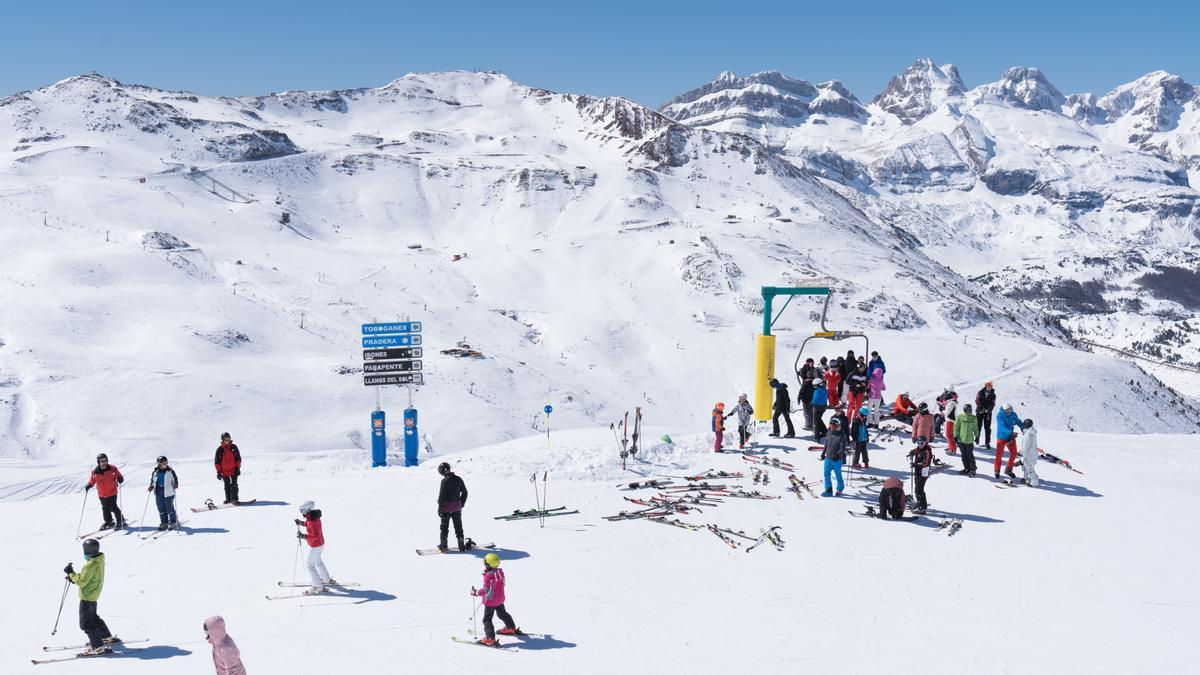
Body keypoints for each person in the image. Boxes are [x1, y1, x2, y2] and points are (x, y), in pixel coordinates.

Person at [64, 538, 113, 655]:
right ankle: (106, 636)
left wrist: (71, 573)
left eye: (84, 549)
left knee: (85, 623)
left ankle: (98, 647)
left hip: (87, 596)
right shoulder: (99, 559)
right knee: (93, 618)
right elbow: (88, 577)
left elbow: (82, 581)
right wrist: (74, 577)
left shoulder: (89, 565)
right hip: (94, 593)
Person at [474, 552, 520, 646]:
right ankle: (510, 628)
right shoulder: (499, 572)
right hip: (499, 599)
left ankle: (490, 639)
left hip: (490, 601)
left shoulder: (489, 576)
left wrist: (476, 593)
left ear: (487, 564)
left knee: (487, 619)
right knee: (502, 614)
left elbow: (486, 590)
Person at [295, 500, 333, 594]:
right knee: (317, 561)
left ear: (308, 510)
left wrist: (304, 536)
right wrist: (302, 523)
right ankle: (326, 579)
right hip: (320, 544)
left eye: (303, 511)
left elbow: (314, 535)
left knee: (310, 565)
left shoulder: (311, 520)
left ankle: (317, 586)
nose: (302, 513)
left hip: (316, 545)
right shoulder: (313, 516)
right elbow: (310, 524)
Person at [85, 453, 125, 530]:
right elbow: (92, 480)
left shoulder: (113, 468)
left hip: (112, 492)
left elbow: (120, 476)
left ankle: (121, 521)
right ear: (98, 462)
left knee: (113, 507)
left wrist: (120, 479)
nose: (104, 463)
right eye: (101, 461)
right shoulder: (95, 471)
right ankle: (109, 521)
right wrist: (89, 485)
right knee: (105, 508)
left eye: (105, 460)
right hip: (102, 494)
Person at [437, 462, 469, 552]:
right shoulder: (459, 479)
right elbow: (465, 493)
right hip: (457, 508)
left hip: (446, 508)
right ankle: (461, 545)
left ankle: (443, 546)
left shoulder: (444, 481)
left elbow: (441, 496)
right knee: (458, 526)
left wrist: (439, 508)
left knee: (444, 527)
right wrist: (461, 503)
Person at [147, 455, 180, 530]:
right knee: (161, 508)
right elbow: (153, 481)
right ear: (159, 464)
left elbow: (175, 479)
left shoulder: (170, 471)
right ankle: (164, 522)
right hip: (158, 491)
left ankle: (174, 521)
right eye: (163, 463)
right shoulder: (155, 472)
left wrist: (176, 484)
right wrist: (151, 486)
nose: (165, 464)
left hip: (169, 492)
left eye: (166, 463)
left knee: (169, 508)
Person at [994, 404, 1025, 479]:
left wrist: (1023, 428)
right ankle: (997, 470)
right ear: (1004, 411)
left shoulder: (1013, 414)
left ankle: (1008, 470)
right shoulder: (1000, 416)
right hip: (1001, 437)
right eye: (1008, 411)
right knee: (999, 455)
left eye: (1011, 410)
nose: (1009, 412)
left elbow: (1018, 421)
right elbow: (1002, 427)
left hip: (1010, 437)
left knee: (1014, 454)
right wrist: (1010, 432)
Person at [820, 417, 849, 496]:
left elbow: (842, 447)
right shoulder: (829, 432)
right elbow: (826, 443)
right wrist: (823, 453)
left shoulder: (842, 435)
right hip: (828, 457)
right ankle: (828, 490)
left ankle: (840, 489)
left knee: (838, 475)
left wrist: (838, 454)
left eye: (833, 426)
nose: (831, 427)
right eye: (830, 426)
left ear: (838, 426)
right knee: (826, 474)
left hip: (837, 459)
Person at [214, 432, 242, 505]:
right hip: (224, 471)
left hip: (234, 470)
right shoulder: (219, 450)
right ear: (223, 440)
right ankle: (228, 499)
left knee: (234, 484)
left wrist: (237, 468)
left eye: (229, 439)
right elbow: (217, 462)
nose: (228, 440)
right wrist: (218, 472)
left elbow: (238, 459)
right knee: (227, 485)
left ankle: (235, 499)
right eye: (226, 439)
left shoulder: (234, 447)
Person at [907, 436, 933, 514]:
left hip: (923, 473)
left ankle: (922, 507)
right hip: (918, 472)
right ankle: (921, 503)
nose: (920, 445)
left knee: (919, 490)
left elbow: (925, 463)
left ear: (925, 443)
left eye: (922, 443)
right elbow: (915, 451)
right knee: (918, 489)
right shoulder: (918, 449)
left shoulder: (927, 451)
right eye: (918, 443)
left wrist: (915, 465)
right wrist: (911, 452)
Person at [954, 403, 979, 477]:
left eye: (970, 410)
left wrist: (977, 436)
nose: (968, 411)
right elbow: (956, 427)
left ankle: (973, 470)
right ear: (964, 410)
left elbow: (975, 428)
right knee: (963, 456)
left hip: (969, 441)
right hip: (961, 440)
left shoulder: (974, 418)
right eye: (967, 410)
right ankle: (966, 468)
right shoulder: (960, 417)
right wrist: (955, 436)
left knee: (970, 456)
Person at [975, 381, 997, 449]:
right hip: (980, 411)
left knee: (987, 428)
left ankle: (987, 442)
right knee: (978, 426)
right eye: (988, 386)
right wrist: (983, 409)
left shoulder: (993, 394)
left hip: (988, 413)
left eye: (990, 386)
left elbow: (993, 404)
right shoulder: (980, 392)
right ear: (985, 386)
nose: (989, 387)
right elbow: (977, 401)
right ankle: (977, 439)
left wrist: (988, 410)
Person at [1019, 418, 1040, 487]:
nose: (1023, 426)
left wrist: (1020, 452)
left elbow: (1025, 445)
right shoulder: (1030, 432)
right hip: (1029, 453)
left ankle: (1035, 482)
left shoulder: (1029, 434)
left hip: (1030, 454)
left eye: (1024, 424)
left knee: (1030, 469)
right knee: (1026, 467)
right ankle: (1026, 479)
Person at [939, 386, 959, 453]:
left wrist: (943, 410)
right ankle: (951, 447)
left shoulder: (952, 402)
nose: (944, 393)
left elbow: (947, 412)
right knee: (949, 435)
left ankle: (952, 450)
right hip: (950, 420)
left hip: (950, 420)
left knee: (949, 435)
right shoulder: (950, 401)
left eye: (946, 391)